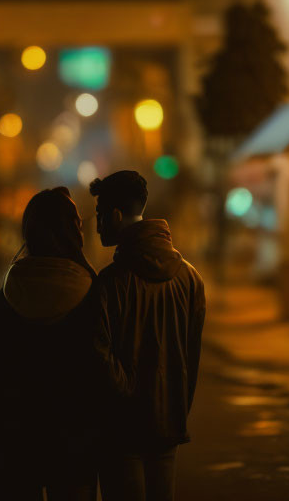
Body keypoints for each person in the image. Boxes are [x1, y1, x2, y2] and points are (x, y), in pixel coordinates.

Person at [0, 187, 131, 501]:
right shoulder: (93, 296)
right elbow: (105, 371)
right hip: (75, 442)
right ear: (73, 232)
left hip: (12, 443)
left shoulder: (8, 297)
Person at [88, 171, 205, 501]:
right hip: (168, 422)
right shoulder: (190, 278)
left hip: (121, 430)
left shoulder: (110, 283)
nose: (96, 225)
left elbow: (97, 353)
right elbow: (192, 353)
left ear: (114, 215)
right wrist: (176, 404)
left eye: (99, 216)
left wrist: (126, 394)